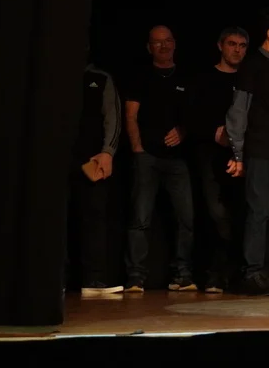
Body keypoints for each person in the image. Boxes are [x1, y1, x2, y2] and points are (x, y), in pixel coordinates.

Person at [226, 6, 269, 296]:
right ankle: (251, 273)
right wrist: (238, 154)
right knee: (257, 212)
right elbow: (238, 111)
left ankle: (262, 271)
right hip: (257, 151)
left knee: (266, 212)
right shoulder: (254, 64)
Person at [124, 25, 195, 292]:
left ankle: (182, 275)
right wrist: (138, 149)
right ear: (149, 47)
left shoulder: (186, 77)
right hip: (148, 157)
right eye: (157, 42)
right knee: (140, 219)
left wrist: (183, 131)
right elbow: (131, 115)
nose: (163, 46)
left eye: (167, 41)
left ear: (174, 44)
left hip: (178, 160)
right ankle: (135, 277)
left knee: (185, 219)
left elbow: (195, 115)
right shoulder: (140, 76)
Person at [189, 26, 248, 293]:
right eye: (232, 44)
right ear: (220, 46)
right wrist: (214, 133)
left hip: (242, 156)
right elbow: (191, 117)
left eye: (242, 46)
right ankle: (214, 273)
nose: (237, 50)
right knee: (216, 214)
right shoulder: (205, 79)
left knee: (242, 215)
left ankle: (236, 274)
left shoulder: (248, 79)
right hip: (211, 156)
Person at [70, 61, 121, 296]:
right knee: (55, 219)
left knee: (95, 216)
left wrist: (108, 152)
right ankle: (55, 280)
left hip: (93, 159)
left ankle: (93, 280)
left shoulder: (100, 78)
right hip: (57, 161)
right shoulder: (51, 75)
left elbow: (113, 117)